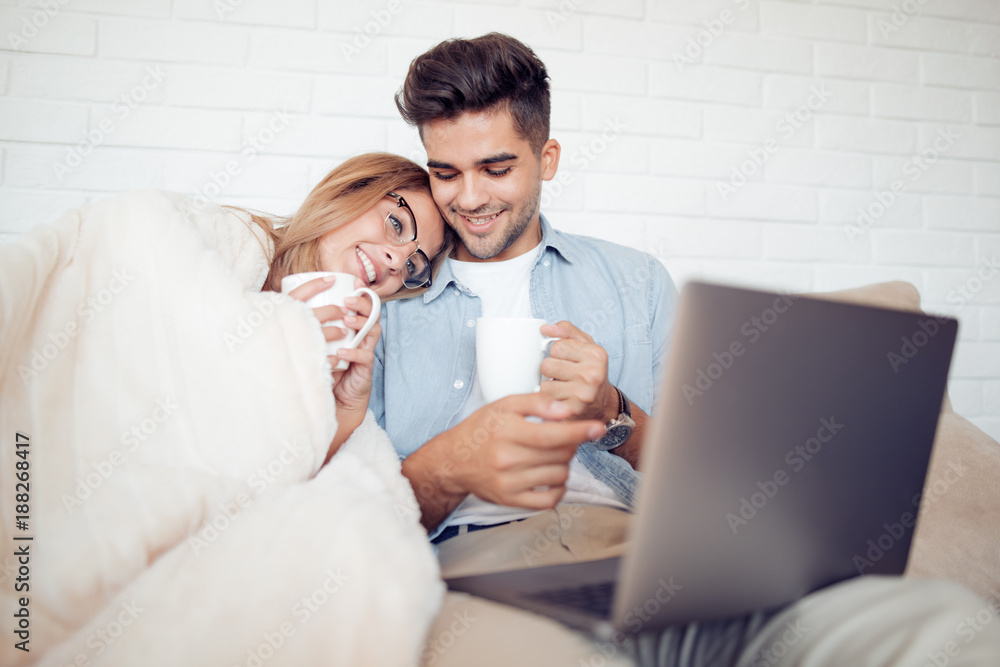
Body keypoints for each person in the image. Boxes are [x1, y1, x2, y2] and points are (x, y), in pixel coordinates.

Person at [371, 33, 1000, 667]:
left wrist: (612, 412)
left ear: (548, 157)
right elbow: (353, 509)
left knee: (935, 625)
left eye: (497, 168)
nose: (470, 198)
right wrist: (452, 464)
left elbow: (712, 483)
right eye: (445, 173)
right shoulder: (388, 302)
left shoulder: (634, 281)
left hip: (645, 556)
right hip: (480, 570)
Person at [250, 152, 452, 459]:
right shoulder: (225, 249)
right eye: (397, 224)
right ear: (352, 190)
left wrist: (345, 410)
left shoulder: (341, 361)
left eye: (413, 266)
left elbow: (279, 480)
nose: (398, 261)